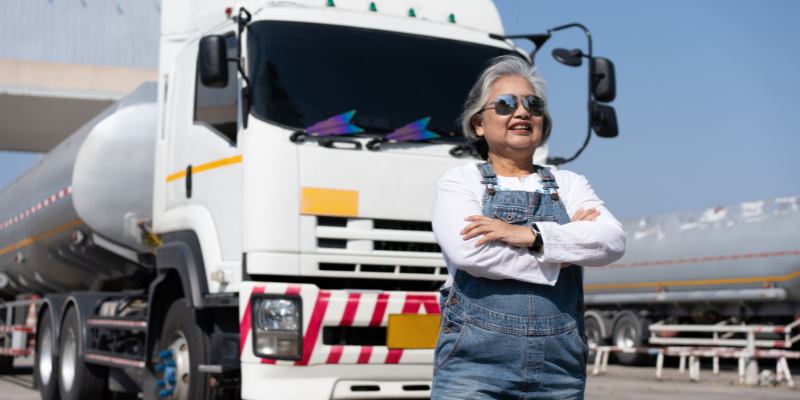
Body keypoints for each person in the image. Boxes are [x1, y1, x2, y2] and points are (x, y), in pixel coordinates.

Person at [431, 55, 626, 399]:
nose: (522, 113)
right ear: (479, 124)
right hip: (474, 371)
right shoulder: (461, 180)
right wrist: (565, 252)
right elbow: (471, 254)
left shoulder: (569, 183)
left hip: (559, 373)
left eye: (532, 104)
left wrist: (532, 236)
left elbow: (611, 241)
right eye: (505, 104)